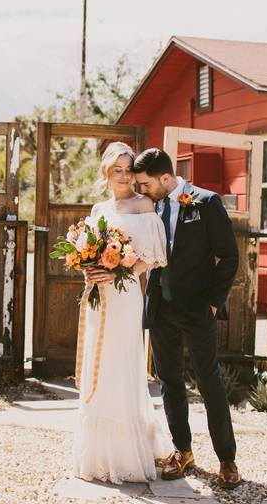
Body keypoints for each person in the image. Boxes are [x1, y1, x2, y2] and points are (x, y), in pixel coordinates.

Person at [132, 147, 242, 489]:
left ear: (166, 178)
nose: (141, 190)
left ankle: (227, 459)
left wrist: (212, 303)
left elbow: (229, 257)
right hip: (161, 310)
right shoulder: (150, 206)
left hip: (197, 310)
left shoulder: (206, 203)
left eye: (146, 184)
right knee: (169, 382)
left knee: (209, 383)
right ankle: (183, 450)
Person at [75, 141, 171, 484]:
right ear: (106, 172)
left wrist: (119, 272)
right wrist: (89, 269)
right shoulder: (99, 209)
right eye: (117, 169)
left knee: (122, 363)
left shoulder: (143, 204)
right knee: (99, 368)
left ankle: (128, 454)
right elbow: (88, 251)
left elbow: (153, 256)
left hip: (127, 294)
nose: (123, 175)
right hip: (100, 297)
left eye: (128, 169)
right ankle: (99, 453)